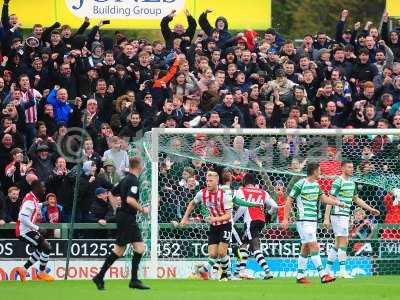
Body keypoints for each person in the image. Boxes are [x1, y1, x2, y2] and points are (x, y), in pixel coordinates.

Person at [180, 171, 259, 281]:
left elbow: (228, 216)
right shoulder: (202, 193)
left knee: (222, 252)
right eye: (207, 181)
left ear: (217, 182)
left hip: (225, 225)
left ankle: (227, 274)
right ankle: (207, 269)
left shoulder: (224, 195)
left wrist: (214, 219)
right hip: (214, 226)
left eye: (211, 181)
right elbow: (192, 203)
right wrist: (185, 218)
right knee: (213, 254)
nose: (208, 183)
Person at [92, 157, 150, 290]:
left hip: (127, 217)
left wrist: (115, 208)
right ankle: (100, 277)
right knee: (119, 250)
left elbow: (111, 193)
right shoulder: (133, 180)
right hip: (127, 218)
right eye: (142, 165)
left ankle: (134, 280)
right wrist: (142, 209)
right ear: (139, 166)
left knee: (139, 248)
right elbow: (130, 199)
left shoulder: (125, 179)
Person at [283, 162, 345, 284]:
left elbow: (323, 199)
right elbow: (289, 201)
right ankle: (323, 275)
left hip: (313, 221)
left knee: (306, 247)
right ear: (315, 171)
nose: (321, 173)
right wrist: (285, 218)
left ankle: (300, 276)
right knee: (314, 246)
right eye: (319, 170)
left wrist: (337, 203)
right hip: (303, 220)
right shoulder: (300, 184)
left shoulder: (317, 185)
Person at [323, 161, 380, 278]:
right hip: (337, 214)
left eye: (352, 167)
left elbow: (356, 199)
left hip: (345, 215)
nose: (351, 169)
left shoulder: (352, 183)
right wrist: (326, 218)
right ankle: (342, 271)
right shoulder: (338, 182)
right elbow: (330, 200)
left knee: (338, 243)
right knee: (343, 241)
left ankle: (327, 270)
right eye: (349, 167)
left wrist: (370, 209)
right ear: (342, 168)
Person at [235, 173, 277, 280]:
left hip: (250, 221)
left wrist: (233, 220)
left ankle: (267, 271)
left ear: (244, 182)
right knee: (244, 244)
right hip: (261, 221)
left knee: (255, 247)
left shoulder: (242, 191)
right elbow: (275, 206)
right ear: (255, 183)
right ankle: (239, 272)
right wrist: (268, 214)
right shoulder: (262, 192)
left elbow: (243, 207)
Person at [14, 180, 54, 282]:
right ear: (36, 188)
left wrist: (44, 204)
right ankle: (41, 272)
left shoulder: (32, 197)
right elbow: (22, 218)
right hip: (24, 231)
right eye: (42, 187)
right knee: (47, 248)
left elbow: (34, 206)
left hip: (28, 229)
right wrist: (38, 228)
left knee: (41, 248)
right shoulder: (30, 201)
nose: (44, 189)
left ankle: (23, 269)